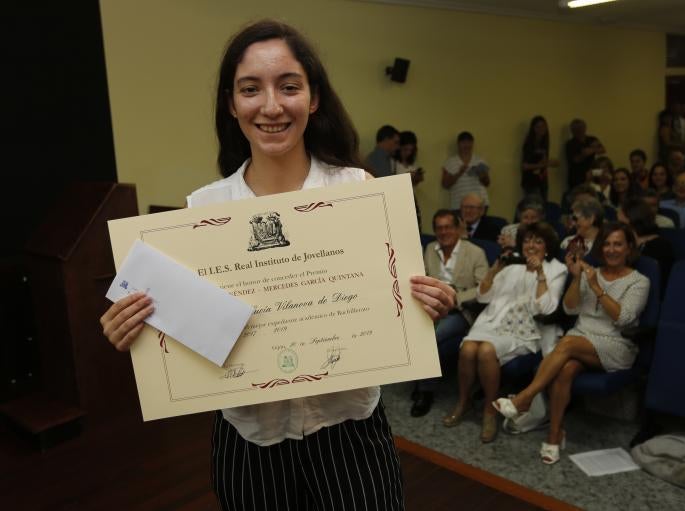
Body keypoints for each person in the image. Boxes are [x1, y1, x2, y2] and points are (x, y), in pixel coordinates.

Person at [99, 20, 456, 511]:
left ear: (314, 98)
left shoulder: (359, 191)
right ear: (231, 103)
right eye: (251, 89)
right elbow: (187, 336)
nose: (271, 106)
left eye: (289, 86)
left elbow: (396, 300)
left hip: (350, 432)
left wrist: (425, 301)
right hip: (249, 438)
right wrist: (137, 327)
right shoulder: (202, 211)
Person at [493, 222, 649, 464]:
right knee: (566, 369)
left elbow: (624, 318)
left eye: (618, 244)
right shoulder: (590, 272)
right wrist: (577, 279)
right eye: (607, 244)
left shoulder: (639, 281)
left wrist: (596, 287)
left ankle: (524, 398)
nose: (611, 249)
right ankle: (554, 436)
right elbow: (570, 308)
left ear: (629, 247)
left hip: (616, 344)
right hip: (580, 338)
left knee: (567, 343)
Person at [443, 223, 567, 443]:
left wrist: (540, 273)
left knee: (486, 350)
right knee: (468, 348)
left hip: (525, 328)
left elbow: (546, 308)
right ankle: (464, 402)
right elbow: (483, 297)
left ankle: (490, 411)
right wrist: (494, 271)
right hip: (494, 322)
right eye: (527, 240)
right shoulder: (511, 267)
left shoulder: (557, 269)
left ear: (547, 247)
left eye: (538, 241)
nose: (531, 245)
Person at [412, 210, 488, 417]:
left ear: (458, 229)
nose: (444, 232)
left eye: (448, 227)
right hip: (431, 306)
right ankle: (420, 380)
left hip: (460, 311)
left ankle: (425, 391)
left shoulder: (475, 252)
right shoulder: (430, 248)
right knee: (413, 329)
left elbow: (483, 288)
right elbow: (422, 276)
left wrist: (456, 298)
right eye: (439, 228)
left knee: (431, 337)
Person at [618, 198, 674, 296]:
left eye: (620, 222)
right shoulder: (627, 241)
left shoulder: (660, 247)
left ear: (631, 219)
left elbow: (654, 283)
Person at [442, 131, 490, 210]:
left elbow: (487, 183)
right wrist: (459, 173)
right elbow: (445, 185)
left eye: (469, 142)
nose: (466, 145)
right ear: (458, 144)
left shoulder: (480, 161)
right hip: (459, 205)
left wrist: (481, 175)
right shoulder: (450, 162)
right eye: (463, 142)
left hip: (480, 203)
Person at [521, 115, 559, 201]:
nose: (541, 129)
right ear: (533, 128)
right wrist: (544, 164)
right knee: (535, 206)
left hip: (542, 181)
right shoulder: (529, 143)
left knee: (543, 206)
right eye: (538, 126)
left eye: (543, 126)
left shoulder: (544, 142)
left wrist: (552, 162)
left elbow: (542, 161)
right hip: (531, 182)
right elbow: (525, 166)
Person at [565, 119, 605, 189]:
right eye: (576, 129)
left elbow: (602, 150)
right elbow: (574, 160)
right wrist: (584, 155)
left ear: (585, 128)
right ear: (572, 130)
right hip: (577, 176)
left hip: (592, 172)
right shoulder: (570, 144)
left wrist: (591, 150)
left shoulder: (592, 139)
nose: (579, 130)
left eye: (581, 128)